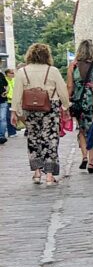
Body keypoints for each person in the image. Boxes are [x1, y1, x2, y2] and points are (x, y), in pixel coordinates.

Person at [10, 43, 71, 185]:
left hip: (30, 109)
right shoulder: (53, 71)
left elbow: (17, 94)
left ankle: (37, 173)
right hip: (50, 108)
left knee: (33, 139)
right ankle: (49, 175)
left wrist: (15, 112)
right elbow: (62, 91)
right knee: (50, 139)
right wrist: (66, 107)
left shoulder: (22, 72)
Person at [67, 40, 93, 173]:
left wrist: (67, 101)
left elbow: (70, 86)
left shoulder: (73, 66)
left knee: (82, 130)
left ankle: (84, 156)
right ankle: (91, 163)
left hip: (78, 101)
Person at [5, 68, 16, 137]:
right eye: (11, 73)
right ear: (7, 74)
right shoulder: (5, 80)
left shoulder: (14, 80)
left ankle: (14, 131)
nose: (13, 74)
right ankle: (11, 133)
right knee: (8, 117)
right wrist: (9, 96)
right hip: (8, 101)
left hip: (14, 101)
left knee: (15, 117)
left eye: (13, 73)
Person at [0, 67, 9, 144]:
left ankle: (1, 136)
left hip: (2, 100)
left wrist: (6, 92)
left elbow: (6, 85)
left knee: (2, 118)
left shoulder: (1, 75)